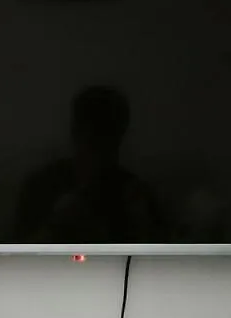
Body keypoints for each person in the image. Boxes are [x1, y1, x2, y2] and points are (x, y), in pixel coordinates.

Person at [14, 86, 163, 243]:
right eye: (94, 137)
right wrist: (57, 225)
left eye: (107, 137)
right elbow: (15, 248)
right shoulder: (41, 186)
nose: (99, 152)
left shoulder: (136, 195)